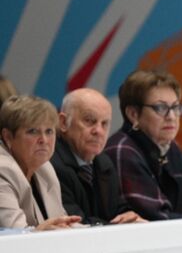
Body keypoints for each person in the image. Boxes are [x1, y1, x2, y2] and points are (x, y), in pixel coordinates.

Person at [105, 70, 182, 221]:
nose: (171, 117)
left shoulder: (172, 149)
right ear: (133, 114)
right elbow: (157, 217)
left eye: (176, 107)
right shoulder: (122, 151)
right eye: (161, 108)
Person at [51, 88, 145, 225]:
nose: (98, 131)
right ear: (64, 122)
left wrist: (129, 217)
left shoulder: (103, 162)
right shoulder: (52, 166)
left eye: (104, 123)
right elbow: (76, 224)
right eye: (89, 121)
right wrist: (117, 227)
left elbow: (117, 209)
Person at [0, 95, 81, 230]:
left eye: (49, 131)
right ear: (8, 136)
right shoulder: (3, 170)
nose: (44, 140)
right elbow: (14, 236)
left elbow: (60, 222)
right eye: (33, 131)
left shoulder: (45, 168)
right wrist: (40, 232)